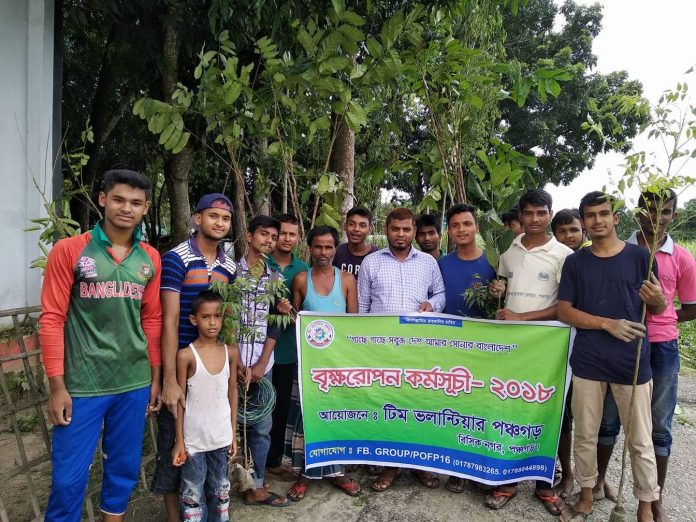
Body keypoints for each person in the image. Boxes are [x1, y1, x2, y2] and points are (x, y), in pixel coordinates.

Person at [40, 170, 162, 522]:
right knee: (68, 479)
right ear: (103, 199)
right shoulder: (70, 250)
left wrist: (155, 378)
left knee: (123, 469)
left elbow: (152, 320)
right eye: (119, 199)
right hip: (82, 384)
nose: (127, 208)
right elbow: (52, 319)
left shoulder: (150, 258)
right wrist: (57, 386)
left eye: (136, 203)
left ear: (145, 208)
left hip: (133, 382)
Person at [557, 191, 666, 522]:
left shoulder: (641, 257)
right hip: (588, 361)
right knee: (585, 434)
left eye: (604, 213)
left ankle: (645, 505)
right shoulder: (576, 262)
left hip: (632, 362)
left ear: (616, 218)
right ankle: (586, 495)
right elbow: (565, 311)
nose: (598, 220)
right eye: (590, 215)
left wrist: (659, 299)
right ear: (584, 222)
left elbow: (657, 307)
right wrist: (607, 323)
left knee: (640, 439)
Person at [594, 189, 696, 522]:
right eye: (650, 209)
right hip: (620, 342)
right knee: (609, 417)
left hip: (662, 346)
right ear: (638, 213)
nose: (656, 217)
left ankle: (654, 500)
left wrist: (662, 312)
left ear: (674, 216)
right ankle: (598, 482)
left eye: (665, 211)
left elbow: (691, 306)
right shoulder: (618, 251)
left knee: (659, 424)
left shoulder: (682, 258)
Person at [486, 189, 573, 514]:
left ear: (550, 214)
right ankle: (506, 481)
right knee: (510, 408)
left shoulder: (564, 254)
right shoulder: (510, 252)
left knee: (548, 411)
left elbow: (566, 305)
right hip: (512, 344)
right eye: (529, 213)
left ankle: (544, 484)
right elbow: (505, 288)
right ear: (520, 216)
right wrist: (498, 289)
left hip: (548, 345)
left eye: (541, 213)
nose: (535, 219)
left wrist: (522, 317)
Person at [152, 193, 237, 521]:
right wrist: (170, 381)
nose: (219, 223)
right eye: (213, 216)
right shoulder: (177, 258)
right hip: (182, 368)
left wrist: (231, 363)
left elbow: (227, 318)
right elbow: (170, 320)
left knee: (210, 448)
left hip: (212, 370)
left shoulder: (229, 267)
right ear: (197, 219)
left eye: (226, 218)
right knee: (174, 447)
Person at [358, 207, 446, 492]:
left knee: (418, 405)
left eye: (406, 229)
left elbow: (440, 293)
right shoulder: (371, 262)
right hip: (382, 351)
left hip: (418, 349)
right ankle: (390, 466)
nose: (401, 235)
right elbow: (362, 308)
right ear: (386, 230)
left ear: (413, 231)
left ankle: (419, 464)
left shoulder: (428, 262)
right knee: (388, 406)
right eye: (395, 229)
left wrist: (432, 305)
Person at [284, 226, 360, 501]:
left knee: (337, 415)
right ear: (310, 248)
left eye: (329, 247)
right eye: (318, 246)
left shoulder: (347, 280)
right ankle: (306, 473)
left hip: (338, 364)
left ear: (335, 249)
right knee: (308, 417)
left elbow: (354, 324)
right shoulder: (301, 280)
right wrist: (286, 311)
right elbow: (297, 320)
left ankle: (338, 472)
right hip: (310, 364)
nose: (323, 252)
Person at [437, 203, 496, 494]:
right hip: (450, 348)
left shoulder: (493, 263)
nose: (462, 230)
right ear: (449, 231)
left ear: (477, 227)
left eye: (467, 224)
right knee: (454, 406)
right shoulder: (442, 264)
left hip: (485, 348)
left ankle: (480, 465)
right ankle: (456, 468)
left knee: (483, 406)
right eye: (456, 225)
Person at [237, 215, 291, 507]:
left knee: (260, 427)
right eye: (263, 234)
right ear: (249, 236)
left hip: (262, 365)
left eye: (273, 236)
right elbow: (223, 319)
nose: (269, 241)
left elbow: (275, 324)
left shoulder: (275, 278)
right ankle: (227, 484)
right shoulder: (230, 272)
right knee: (230, 426)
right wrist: (236, 362)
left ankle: (257, 485)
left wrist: (261, 363)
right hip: (231, 362)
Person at [172, 291, 239, 522]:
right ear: (194, 319)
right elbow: (180, 401)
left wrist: (233, 434)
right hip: (194, 441)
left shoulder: (231, 352)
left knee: (220, 492)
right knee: (193, 496)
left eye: (217, 316)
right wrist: (179, 441)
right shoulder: (185, 356)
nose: (212, 323)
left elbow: (232, 393)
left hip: (221, 437)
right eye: (206, 317)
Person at [549, 207, 590, 499]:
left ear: (583, 230)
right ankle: (566, 472)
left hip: (589, 346)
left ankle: (594, 479)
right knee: (561, 413)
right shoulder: (558, 259)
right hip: (555, 346)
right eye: (562, 231)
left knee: (590, 416)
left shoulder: (591, 260)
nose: (568, 236)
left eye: (573, 230)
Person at [265, 214, 308, 482]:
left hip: (288, 349)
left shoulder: (302, 269)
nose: (287, 239)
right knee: (259, 407)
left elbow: (302, 313)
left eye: (293, 234)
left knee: (281, 408)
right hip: (258, 348)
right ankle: (253, 460)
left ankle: (273, 460)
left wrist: (289, 312)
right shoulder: (261, 263)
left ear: (298, 238)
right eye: (283, 233)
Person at [333, 206, 378, 277]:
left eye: (362, 226)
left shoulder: (376, 256)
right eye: (351, 224)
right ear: (345, 226)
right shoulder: (337, 252)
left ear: (370, 229)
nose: (356, 229)